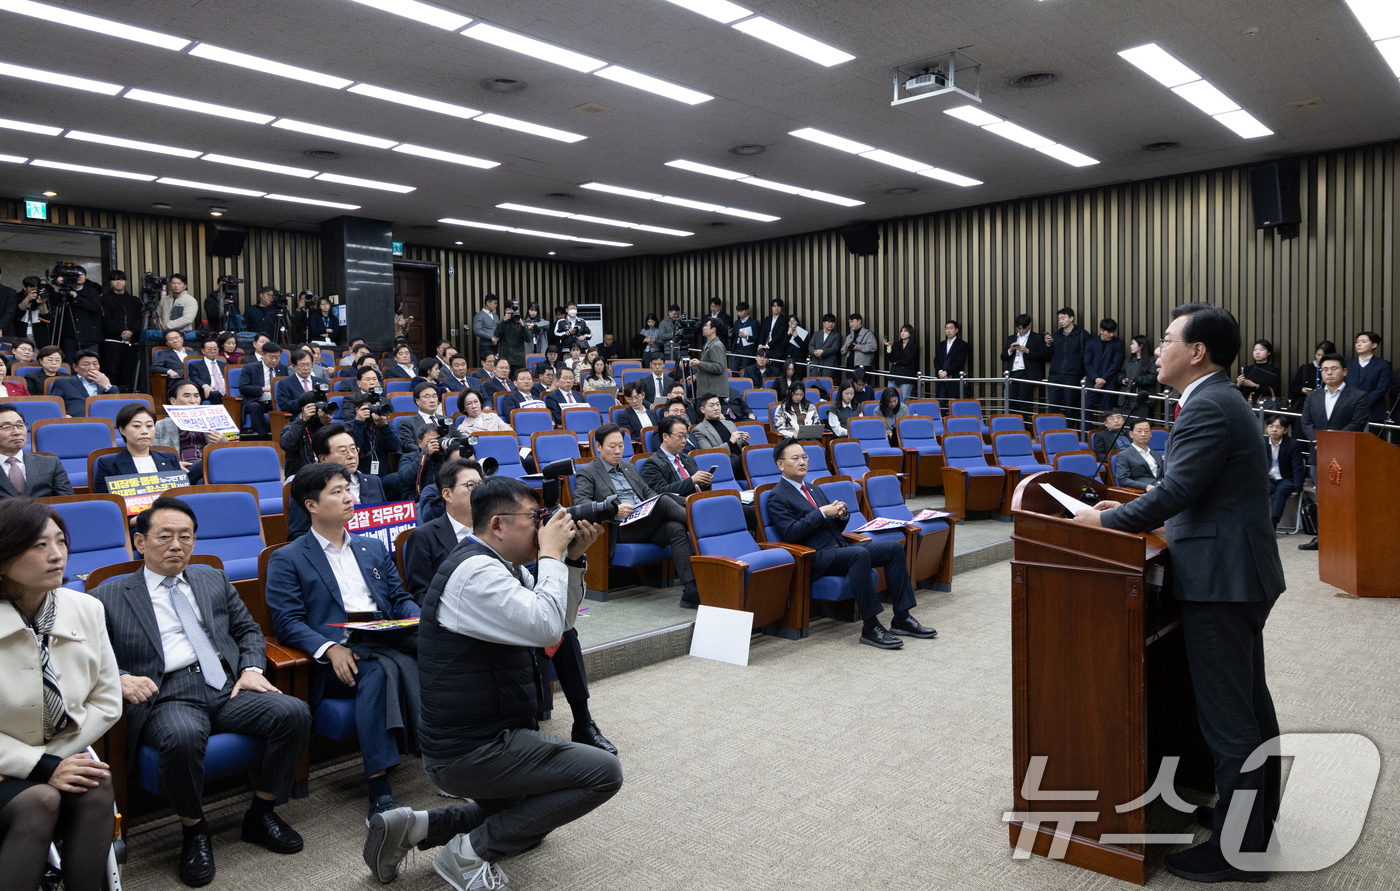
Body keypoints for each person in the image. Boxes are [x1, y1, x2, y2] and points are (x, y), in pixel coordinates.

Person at [1072, 303, 1285, 884]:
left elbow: (1176, 491)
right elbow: (1187, 488)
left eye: (1167, 340)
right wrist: (1129, 506)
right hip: (1235, 571)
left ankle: (1239, 851)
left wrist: (1100, 522)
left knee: (1229, 719)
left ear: (1197, 351)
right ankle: (1253, 825)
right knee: (1249, 705)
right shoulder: (1218, 399)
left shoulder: (1209, 404)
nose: (1156, 350)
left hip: (1222, 578)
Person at [363, 477, 620, 890]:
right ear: (498, 524)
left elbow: (557, 625)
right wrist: (551, 555)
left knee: (529, 819)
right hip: (469, 750)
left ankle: (413, 827)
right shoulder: (475, 573)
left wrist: (570, 560)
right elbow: (545, 625)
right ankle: (466, 855)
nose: (541, 527)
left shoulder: (501, 567)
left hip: (489, 733)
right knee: (603, 772)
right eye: (534, 518)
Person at [93, 498, 312, 886]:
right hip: (167, 693)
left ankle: (262, 812)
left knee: (293, 712)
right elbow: (92, 656)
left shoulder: (212, 578)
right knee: (181, 736)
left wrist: (250, 669)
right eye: (165, 537)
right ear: (140, 542)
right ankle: (194, 830)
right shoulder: (107, 595)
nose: (177, 546)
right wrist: (120, 676)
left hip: (225, 685)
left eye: (186, 537)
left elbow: (247, 630)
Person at [266, 463, 421, 822]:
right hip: (336, 658)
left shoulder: (371, 547)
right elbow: (288, 623)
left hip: (385, 639)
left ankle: (452, 756)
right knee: (377, 672)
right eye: (336, 492)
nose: (350, 497)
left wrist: (417, 618)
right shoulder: (287, 558)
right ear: (311, 505)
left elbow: (399, 598)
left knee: (441, 648)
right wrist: (330, 648)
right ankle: (379, 790)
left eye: (348, 489)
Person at [0, 499, 121, 891]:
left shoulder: (87, 608)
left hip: (59, 751)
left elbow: (107, 701)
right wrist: (38, 766)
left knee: (95, 784)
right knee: (40, 800)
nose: (57, 555)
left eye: (61, 541)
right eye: (39, 545)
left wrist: (52, 761)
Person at [768, 438, 936, 649]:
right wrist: (822, 513)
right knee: (859, 554)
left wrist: (841, 515)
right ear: (781, 464)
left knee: (893, 548)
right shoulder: (777, 496)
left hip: (839, 549)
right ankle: (871, 626)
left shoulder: (813, 489)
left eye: (804, 457)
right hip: (815, 556)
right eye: (795, 458)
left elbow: (833, 528)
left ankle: (902, 617)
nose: (802, 462)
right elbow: (791, 533)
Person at [575, 424, 700, 608]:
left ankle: (690, 592)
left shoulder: (629, 468)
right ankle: (702, 527)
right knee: (664, 501)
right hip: (619, 528)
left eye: (621, 446)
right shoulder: (588, 472)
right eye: (612, 446)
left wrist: (653, 504)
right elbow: (581, 505)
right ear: (599, 446)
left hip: (644, 521)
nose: (618, 451)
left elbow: (648, 493)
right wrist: (612, 510)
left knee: (675, 528)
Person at [1296, 353, 1370, 551]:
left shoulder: (1359, 396)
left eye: (1334, 368)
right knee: (1323, 497)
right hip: (1318, 454)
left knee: (1346, 497)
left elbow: (1357, 423)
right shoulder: (1313, 396)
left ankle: (1347, 538)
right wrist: (1319, 439)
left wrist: (1331, 441)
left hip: (1346, 454)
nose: (1329, 373)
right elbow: (1306, 422)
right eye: (1325, 369)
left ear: (1344, 371)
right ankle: (1323, 537)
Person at [285, 424, 387, 540]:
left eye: (353, 449)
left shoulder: (374, 482)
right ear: (323, 458)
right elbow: (297, 534)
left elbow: (387, 523)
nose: (351, 456)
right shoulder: (309, 486)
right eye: (343, 451)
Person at [93, 403, 183, 495]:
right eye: (136, 426)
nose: (144, 431)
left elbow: (179, 495)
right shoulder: (108, 465)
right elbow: (108, 500)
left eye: (149, 426)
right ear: (122, 430)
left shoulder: (170, 459)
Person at [156, 380, 229, 484]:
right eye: (187, 396)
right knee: (208, 462)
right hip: (182, 471)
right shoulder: (160, 426)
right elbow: (152, 454)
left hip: (209, 472)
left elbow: (228, 454)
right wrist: (172, 465)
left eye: (196, 396)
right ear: (173, 401)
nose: (193, 400)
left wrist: (223, 443)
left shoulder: (212, 422)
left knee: (202, 482)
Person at [0, 402, 73, 497]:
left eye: (20, 425)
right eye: (7, 427)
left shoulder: (50, 464)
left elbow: (67, 500)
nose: (17, 432)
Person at [641, 415, 716, 499]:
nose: (684, 441)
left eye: (686, 436)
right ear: (665, 436)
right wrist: (691, 481)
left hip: (701, 500)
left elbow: (700, 488)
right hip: (679, 504)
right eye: (680, 436)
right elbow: (660, 493)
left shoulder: (688, 459)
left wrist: (705, 484)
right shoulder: (652, 464)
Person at [99, 270, 142, 392]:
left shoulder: (134, 300)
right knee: (111, 371)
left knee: (129, 371)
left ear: (125, 281)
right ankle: (110, 395)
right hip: (112, 340)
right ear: (110, 282)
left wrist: (131, 331)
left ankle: (127, 395)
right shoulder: (104, 299)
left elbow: (139, 319)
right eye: (115, 279)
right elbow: (105, 319)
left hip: (132, 341)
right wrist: (121, 331)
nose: (118, 282)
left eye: (121, 279)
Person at [279, 390, 337, 478]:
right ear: (304, 409)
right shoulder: (293, 426)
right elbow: (286, 445)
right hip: (302, 477)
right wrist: (301, 420)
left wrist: (327, 425)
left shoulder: (329, 426)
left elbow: (338, 447)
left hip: (327, 474)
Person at [690, 392, 748, 475]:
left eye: (718, 404)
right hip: (725, 464)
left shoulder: (729, 424)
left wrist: (744, 443)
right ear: (702, 410)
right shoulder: (699, 430)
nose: (716, 408)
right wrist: (730, 442)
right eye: (711, 405)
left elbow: (739, 448)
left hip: (741, 461)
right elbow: (710, 453)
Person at [1003, 314, 1049, 415]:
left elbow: (1043, 356)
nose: (1021, 331)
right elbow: (1003, 357)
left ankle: (1023, 423)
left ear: (1029, 325)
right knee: (1011, 400)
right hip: (1013, 373)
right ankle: (1012, 423)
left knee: (1024, 402)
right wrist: (1010, 350)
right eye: (1019, 329)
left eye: (1023, 329)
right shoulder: (1011, 338)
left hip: (1027, 373)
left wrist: (1027, 351)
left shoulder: (1037, 338)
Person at [1263, 415, 1305, 527]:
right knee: (1259, 491)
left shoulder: (1292, 444)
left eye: (1278, 427)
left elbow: (1297, 467)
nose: (1274, 430)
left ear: (1285, 430)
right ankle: (1258, 524)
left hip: (1286, 479)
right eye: (1271, 426)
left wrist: (1297, 488)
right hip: (1268, 478)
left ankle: (1273, 523)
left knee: (1281, 491)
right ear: (1266, 428)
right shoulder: (1262, 442)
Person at [50, 349, 118, 417]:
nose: (92, 368)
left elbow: (117, 404)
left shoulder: (105, 385)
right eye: (86, 364)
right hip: (75, 421)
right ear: (75, 367)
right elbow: (54, 405)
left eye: (95, 364)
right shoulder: (63, 383)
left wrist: (107, 386)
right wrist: (65, 415)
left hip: (103, 420)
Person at [1045, 307, 1088, 411]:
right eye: (1059, 319)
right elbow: (1047, 356)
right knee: (1053, 406)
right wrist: (1048, 345)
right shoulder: (1056, 335)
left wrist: (1086, 375)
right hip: (1055, 375)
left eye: (1063, 318)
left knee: (1070, 407)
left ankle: (1069, 423)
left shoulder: (1082, 334)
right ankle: (1052, 423)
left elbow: (1088, 356)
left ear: (1071, 318)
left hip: (1073, 375)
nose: (1060, 321)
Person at [238, 342, 283, 438]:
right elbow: (243, 387)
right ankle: (263, 436)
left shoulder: (282, 368)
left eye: (277, 358)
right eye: (271, 357)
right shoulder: (250, 368)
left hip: (274, 401)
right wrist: (263, 389)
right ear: (262, 355)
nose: (274, 360)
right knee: (254, 406)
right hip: (255, 400)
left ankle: (281, 436)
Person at [58, 266, 103, 361]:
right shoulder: (65, 291)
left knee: (90, 364)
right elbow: (55, 302)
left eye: (81, 274)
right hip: (70, 336)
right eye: (75, 274)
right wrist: (58, 286)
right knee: (71, 364)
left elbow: (95, 307)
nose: (79, 276)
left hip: (89, 336)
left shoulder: (92, 292)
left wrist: (76, 298)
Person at [1347, 331, 1391, 423]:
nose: (1358, 344)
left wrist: (1362, 402)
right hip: (1349, 410)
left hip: (1374, 411)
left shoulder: (1383, 364)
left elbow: (1381, 389)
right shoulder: (1348, 364)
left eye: (1363, 341)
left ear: (1374, 345)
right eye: (1357, 342)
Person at [1083, 318, 1124, 416]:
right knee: (1087, 409)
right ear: (1101, 330)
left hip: (1109, 382)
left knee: (1109, 412)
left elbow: (1116, 364)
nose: (1111, 335)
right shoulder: (1091, 343)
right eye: (1109, 332)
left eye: (1113, 332)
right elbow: (1087, 363)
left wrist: (1102, 380)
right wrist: (1096, 378)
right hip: (1092, 381)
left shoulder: (1118, 343)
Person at [399, 422, 448, 501]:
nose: (436, 443)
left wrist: (449, 455)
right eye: (431, 441)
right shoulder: (408, 457)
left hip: (443, 499)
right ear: (420, 443)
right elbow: (406, 479)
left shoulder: (445, 457)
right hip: (417, 500)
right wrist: (426, 455)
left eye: (438, 440)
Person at [1113, 417, 1163, 490]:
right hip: (1144, 491)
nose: (1143, 434)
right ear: (1131, 434)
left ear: (1150, 434)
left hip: (1163, 487)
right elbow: (1123, 480)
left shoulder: (1156, 454)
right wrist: (1146, 486)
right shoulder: (1124, 455)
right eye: (1139, 431)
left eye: (1146, 431)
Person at [1288, 340, 1334, 411]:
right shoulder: (1306, 368)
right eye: (1318, 355)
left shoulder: (1334, 370)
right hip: (1304, 406)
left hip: (1325, 406)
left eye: (1323, 356)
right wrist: (1302, 390)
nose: (1320, 358)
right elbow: (1293, 388)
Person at [398, 382, 445, 453]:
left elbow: (457, 439)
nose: (432, 400)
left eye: (434, 396)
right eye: (427, 397)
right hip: (424, 457)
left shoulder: (445, 419)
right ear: (417, 401)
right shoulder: (407, 422)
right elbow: (407, 445)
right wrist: (427, 451)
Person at [1236, 339, 1282, 406]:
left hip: (1264, 404)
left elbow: (1274, 390)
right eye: (1255, 350)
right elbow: (1236, 390)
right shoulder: (1247, 369)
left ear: (1268, 353)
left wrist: (1253, 385)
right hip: (1246, 403)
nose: (1257, 352)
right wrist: (1238, 384)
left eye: (1261, 350)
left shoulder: (1274, 370)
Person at [1118, 334, 1158, 413]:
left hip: (1141, 399)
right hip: (1125, 397)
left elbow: (1154, 376)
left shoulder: (1151, 361)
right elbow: (1121, 372)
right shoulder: (1128, 360)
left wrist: (1138, 380)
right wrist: (1122, 379)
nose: (1131, 346)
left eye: (1133, 344)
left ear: (1141, 346)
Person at [185, 335, 229, 405]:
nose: (213, 351)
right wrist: (205, 385)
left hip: (227, 391)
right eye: (209, 349)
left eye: (215, 349)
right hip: (208, 392)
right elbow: (194, 378)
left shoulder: (225, 365)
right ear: (203, 351)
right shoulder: (195, 365)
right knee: (215, 394)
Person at [932, 320, 968, 400]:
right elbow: (936, 360)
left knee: (953, 401)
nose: (948, 331)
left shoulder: (962, 345)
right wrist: (940, 372)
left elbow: (960, 362)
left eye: (951, 328)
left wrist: (946, 372)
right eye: (946, 328)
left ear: (956, 330)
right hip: (941, 378)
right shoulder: (941, 345)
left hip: (954, 378)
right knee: (940, 401)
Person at [693, 318, 729, 399]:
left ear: (713, 329)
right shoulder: (708, 345)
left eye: (706, 325)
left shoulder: (716, 345)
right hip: (708, 392)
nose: (703, 328)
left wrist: (699, 363)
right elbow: (708, 369)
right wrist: (696, 376)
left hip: (714, 394)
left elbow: (718, 367)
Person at [12, 276, 52, 346]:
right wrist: (27, 299)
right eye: (32, 288)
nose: (35, 290)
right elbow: (16, 314)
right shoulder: (18, 297)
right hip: (21, 332)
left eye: (37, 288)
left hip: (39, 335)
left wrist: (42, 304)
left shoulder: (42, 296)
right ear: (25, 288)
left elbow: (46, 318)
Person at [882, 324, 919, 399]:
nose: (902, 333)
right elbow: (891, 359)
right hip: (894, 375)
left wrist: (896, 362)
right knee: (889, 398)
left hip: (906, 376)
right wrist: (888, 348)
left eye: (905, 331)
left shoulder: (914, 346)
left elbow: (908, 360)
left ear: (910, 333)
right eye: (901, 331)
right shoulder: (896, 344)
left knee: (903, 398)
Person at [494, 303, 529, 373]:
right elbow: (497, 334)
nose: (513, 312)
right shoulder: (501, 323)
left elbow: (529, 339)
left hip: (519, 360)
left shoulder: (522, 323)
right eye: (510, 309)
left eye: (515, 310)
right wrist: (504, 321)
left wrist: (522, 325)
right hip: (505, 359)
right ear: (505, 310)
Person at [807, 313, 841, 378]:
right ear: (823, 323)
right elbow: (811, 345)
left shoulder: (836, 335)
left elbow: (835, 348)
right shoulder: (816, 334)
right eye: (828, 322)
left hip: (829, 364)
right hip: (816, 362)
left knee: (826, 382)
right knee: (813, 381)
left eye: (833, 322)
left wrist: (823, 351)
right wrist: (814, 352)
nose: (831, 324)